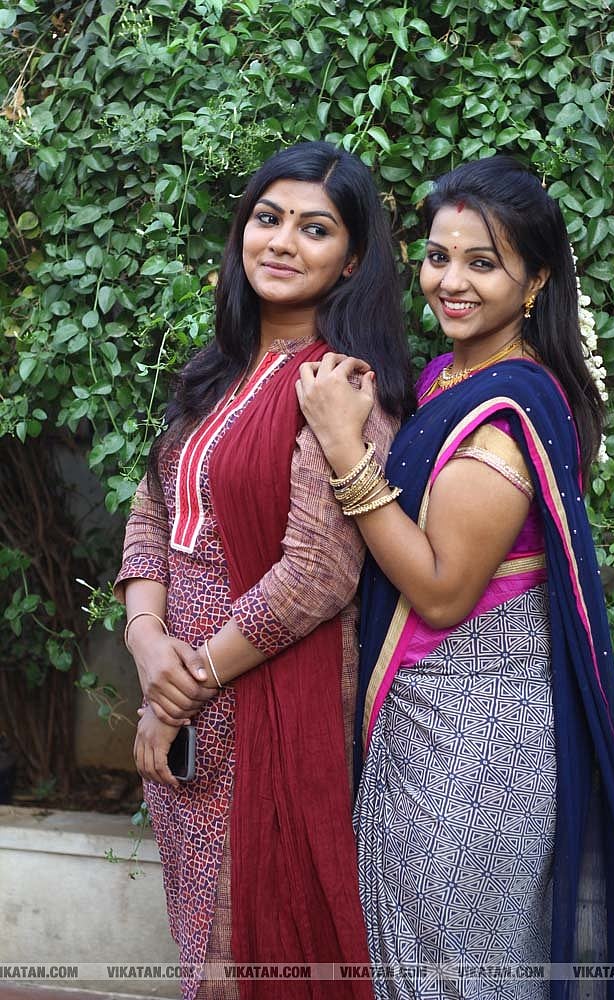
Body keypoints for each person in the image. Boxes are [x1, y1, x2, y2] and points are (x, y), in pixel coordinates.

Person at [296, 156, 614, 999]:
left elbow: (439, 590)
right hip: (424, 725)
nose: (449, 282)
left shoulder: (503, 416)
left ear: (534, 281)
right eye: (437, 257)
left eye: (481, 263)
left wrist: (343, 447)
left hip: (476, 748)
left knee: (455, 971)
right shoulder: (447, 377)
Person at [114, 140, 414, 1000]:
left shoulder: (340, 387)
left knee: (248, 946)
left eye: (313, 229)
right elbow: (153, 508)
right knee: (203, 938)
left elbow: (318, 574)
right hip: (181, 699)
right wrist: (145, 640)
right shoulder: (216, 371)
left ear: (350, 260)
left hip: (259, 701)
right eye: (267, 218)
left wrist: (186, 683)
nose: (281, 241)